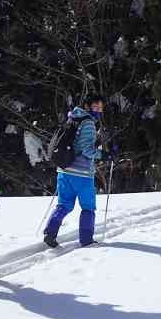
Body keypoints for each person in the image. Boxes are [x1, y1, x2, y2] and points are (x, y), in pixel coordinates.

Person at [44, 95, 106, 247]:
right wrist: (104, 154)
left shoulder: (72, 118)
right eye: (95, 107)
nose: (98, 111)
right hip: (82, 174)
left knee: (64, 205)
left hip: (64, 171)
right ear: (87, 106)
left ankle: (50, 233)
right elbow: (87, 150)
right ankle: (86, 240)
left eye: (100, 108)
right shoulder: (89, 123)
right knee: (88, 207)